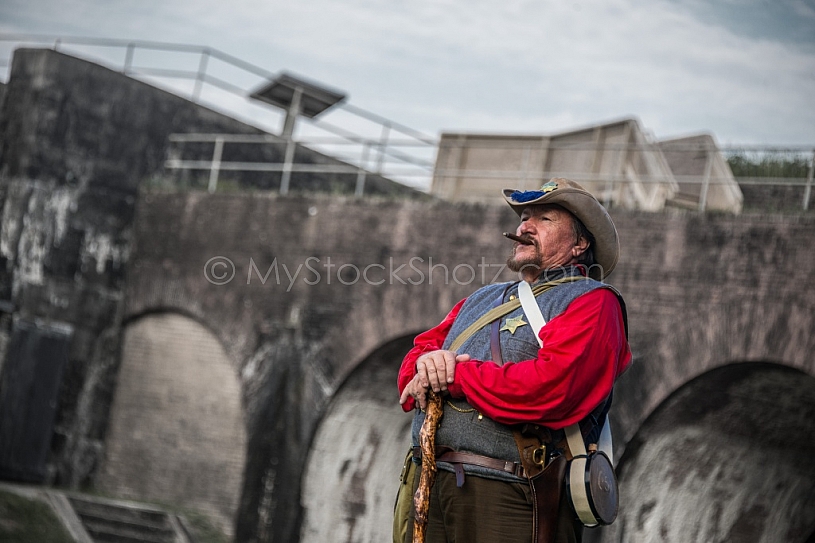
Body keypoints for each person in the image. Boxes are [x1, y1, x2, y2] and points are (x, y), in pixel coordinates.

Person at [396, 178, 632, 543]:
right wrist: (425, 367)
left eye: (544, 218)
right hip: (429, 481)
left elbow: (548, 388)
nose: (524, 226)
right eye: (525, 217)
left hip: (510, 495)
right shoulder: (484, 297)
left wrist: (454, 374)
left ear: (579, 243)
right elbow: (416, 363)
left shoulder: (595, 303)